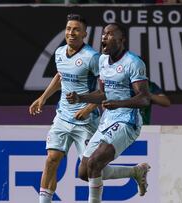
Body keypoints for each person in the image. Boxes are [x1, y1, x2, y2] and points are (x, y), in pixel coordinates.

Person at [66, 23, 151, 203]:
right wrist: (81, 98)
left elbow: (144, 99)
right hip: (108, 119)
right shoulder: (103, 61)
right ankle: (135, 171)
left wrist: (118, 103)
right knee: (84, 172)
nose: (104, 37)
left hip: (127, 121)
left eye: (110, 34)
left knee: (95, 162)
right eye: (104, 34)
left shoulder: (133, 63)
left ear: (121, 40)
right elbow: (103, 93)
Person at [28, 14, 100, 203]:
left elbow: (106, 88)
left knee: (89, 169)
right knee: (52, 159)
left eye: (76, 29)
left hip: (85, 121)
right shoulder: (60, 53)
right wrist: (43, 98)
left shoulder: (92, 57)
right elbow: (61, 76)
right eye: (68, 28)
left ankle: (132, 172)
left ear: (84, 33)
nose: (71, 32)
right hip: (63, 116)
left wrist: (89, 109)